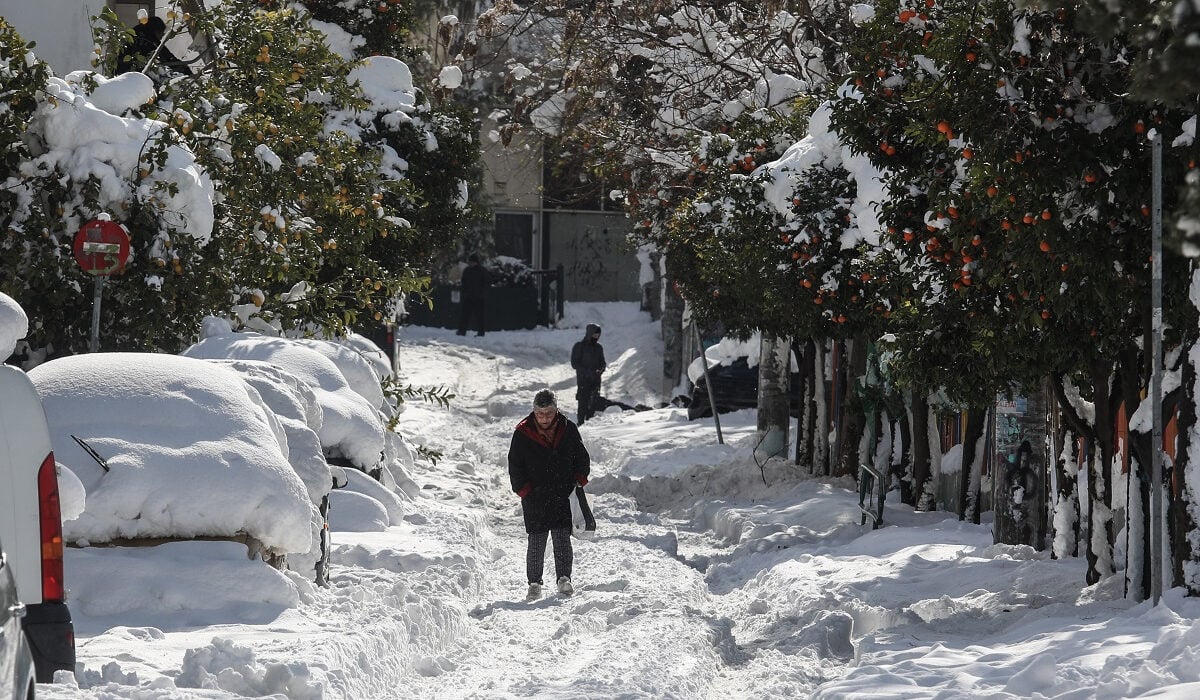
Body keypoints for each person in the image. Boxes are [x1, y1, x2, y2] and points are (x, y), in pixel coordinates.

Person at [508, 388, 590, 599]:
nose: (544, 418)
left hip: (562, 493)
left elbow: (581, 457)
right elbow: (515, 466)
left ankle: (564, 578)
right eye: (540, 413)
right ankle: (534, 583)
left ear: (556, 410)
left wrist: (579, 479)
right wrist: (524, 490)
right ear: (534, 412)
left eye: (549, 413)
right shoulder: (522, 433)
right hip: (535, 496)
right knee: (536, 541)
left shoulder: (568, 429)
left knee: (562, 538)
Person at [115, 16, 194, 80]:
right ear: (156, 30)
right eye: (161, 33)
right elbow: (167, 56)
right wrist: (186, 71)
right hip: (131, 73)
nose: (162, 36)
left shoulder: (136, 32)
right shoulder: (149, 39)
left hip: (119, 72)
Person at [570, 323, 606, 424]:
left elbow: (602, 362)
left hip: (596, 380)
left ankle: (590, 426)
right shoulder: (579, 346)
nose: (596, 337)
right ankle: (580, 425)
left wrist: (601, 369)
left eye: (598, 335)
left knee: (593, 404)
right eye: (594, 335)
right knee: (583, 404)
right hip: (583, 380)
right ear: (590, 333)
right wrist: (586, 372)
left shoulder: (599, 348)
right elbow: (574, 363)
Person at [457, 254, 489, 337]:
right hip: (469, 296)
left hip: (479, 297)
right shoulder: (467, 270)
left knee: (479, 316)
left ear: (476, 262)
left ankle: (481, 333)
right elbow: (464, 281)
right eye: (469, 262)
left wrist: (481, 292)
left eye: (471, 262)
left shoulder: (482, 270)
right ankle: (462, 331)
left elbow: (487, 282)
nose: (470, 263)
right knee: (465, 315)